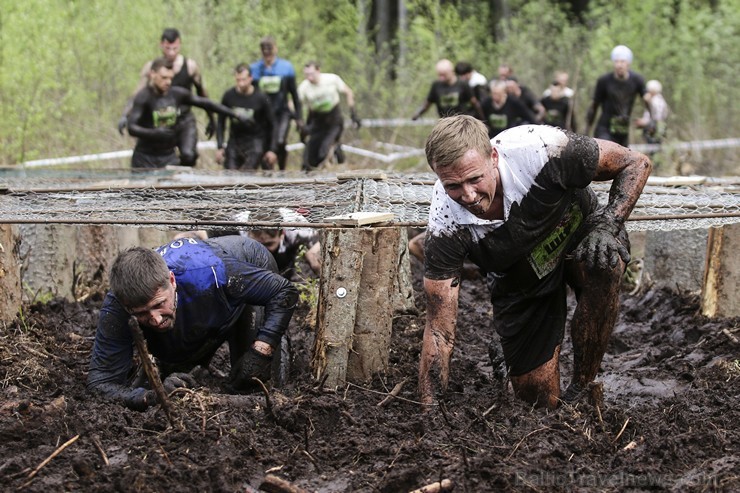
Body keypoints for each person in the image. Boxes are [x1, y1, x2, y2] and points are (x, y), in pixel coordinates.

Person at [418, 115, 651, 409]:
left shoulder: (542, 149)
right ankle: (512, 355)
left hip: (575, 230)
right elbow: (439, 329)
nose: (469, 195)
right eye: (453, 185)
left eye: (475, 179)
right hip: (520, 277)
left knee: (604, 263)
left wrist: (608, 224)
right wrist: (430, 411)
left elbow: (636, 163)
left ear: (493, 157)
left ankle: (582, 386)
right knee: (538, 402)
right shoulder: (445, 225)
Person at [87, 235, 299, 410]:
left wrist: (261, 350)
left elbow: (284, 292)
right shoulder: (117, 305)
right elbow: (100, 383)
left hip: (244, 268)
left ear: (171, 281)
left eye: (159, 304)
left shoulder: (213, 273)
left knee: (250, 380)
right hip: (198, 304)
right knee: (175, 377)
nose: (155, 319)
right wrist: (151, 397)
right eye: (141, 313)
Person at [126, 58, 250, 169]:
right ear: (153, 74)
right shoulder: (143, 97)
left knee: (186, 162)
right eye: (164, 78)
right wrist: (154, 133)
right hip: (145, 158)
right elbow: (131, 128)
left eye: (170, 78)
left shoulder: (176, 94)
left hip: (168, 157)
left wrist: (235, 114)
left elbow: (206, 103)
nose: (168, 82)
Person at [118, 28, 214, 167]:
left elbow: (202, 94)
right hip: (161, 117)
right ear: (161, 45)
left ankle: (181, 179)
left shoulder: (191, 67)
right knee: (157, 151)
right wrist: (124, 115)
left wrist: (211, 118)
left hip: (184, 119)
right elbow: (137, 93)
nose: (171, 52)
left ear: (180, 44)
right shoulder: (152, 68)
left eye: (174, 48)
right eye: (168, 48)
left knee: (189, 155)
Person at [250, 36, 304, 170]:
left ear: (275, 49)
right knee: (265, 144)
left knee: (279, 141)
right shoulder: (255, 69)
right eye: (264, 51)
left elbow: (294, 94)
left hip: (282, 112)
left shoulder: (286, 68)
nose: (267, 53)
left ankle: (282, 169)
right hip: (263, 114)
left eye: (270, 50)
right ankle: (268, 175)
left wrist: (299, 117)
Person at [297, 61, 360, 170]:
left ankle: (338, 161)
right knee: (309, 159)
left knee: (324, 151)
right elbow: (294, 104)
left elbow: (348, 92)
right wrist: (298, 121)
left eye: (312, 74)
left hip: (334, 120)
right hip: (317, 121)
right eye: (307, 75)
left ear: (318, 71)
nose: (309, 78)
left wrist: (353, 113)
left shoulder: (332, 79)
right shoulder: (304, 87)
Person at [216, 63, 277, 171]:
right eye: (238, 80)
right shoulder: (229, 96)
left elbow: (272, 124)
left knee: (247, 175)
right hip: (235, 140)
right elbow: (221, 122)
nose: (241, 83)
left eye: (243, 80)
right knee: (230, 175)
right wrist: (220, 146)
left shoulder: (261, 98)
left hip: (255, 141)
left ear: (250, 78)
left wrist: (272, 149)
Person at [585, 45, 649, 147]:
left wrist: (647, 119)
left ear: (628, 63)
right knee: (607, 155)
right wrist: (587, 129)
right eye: (616, 62)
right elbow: (594, 105)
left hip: (622, 131)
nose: (619, 65)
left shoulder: (637, 80)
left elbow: (648, 100)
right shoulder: (604, 81)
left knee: (621, 160)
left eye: (622, 62)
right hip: (604, 129)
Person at [412, 59, 483, 120]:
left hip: (460, 123)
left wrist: (482, 120)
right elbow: (427, 104)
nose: (441, 78)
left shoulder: (462, 85)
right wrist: (417, 114)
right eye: (439, 75)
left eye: (444, 75)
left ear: (451, 72)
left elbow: (474, 103)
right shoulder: (436, 86)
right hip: (444, 123)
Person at [634, 79, 669, 145]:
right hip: (655, 129)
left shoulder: (657, 101)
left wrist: (645, 122)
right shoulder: (656, 100)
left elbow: (658, 118)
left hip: (655, 130)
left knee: (654, 150)